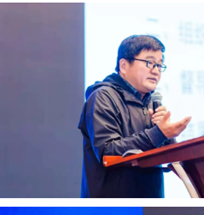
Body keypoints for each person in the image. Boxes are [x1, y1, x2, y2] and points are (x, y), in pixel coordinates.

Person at [79, 35, 192, 198]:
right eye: (149, 63)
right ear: (124, 66)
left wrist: (167, 136)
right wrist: (159, 133)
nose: (156, 71)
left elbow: (168, 157)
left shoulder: (152, 102)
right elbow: (108, 151)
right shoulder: (103, 97)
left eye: (159, 65)